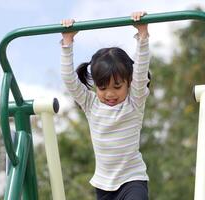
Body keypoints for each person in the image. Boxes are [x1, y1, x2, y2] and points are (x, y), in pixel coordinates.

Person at [60, 11, 150, 200]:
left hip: (132, 180)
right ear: (96, 86)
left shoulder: (134, 101)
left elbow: (141, 71)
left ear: (129, 82)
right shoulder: (90, 103)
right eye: (102, 88)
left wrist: (142, 35)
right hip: (103, 185)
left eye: (117, 87)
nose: (110, 94)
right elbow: (69, 79)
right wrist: (67, 42)